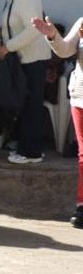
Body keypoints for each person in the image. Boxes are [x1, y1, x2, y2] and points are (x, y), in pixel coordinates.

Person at [0, 0, 51, 164]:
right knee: (24, 104)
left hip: (33, 59)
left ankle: (31, 152)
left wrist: (8, 47)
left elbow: (33, 29)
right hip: (24, 59)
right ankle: (25, 146)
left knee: (31, 105)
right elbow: (13, 26)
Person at [32, 15, 83, 228]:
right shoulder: (81, 22)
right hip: (81, 97)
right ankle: (82, 206)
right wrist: (52, 35)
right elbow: (65, 50)